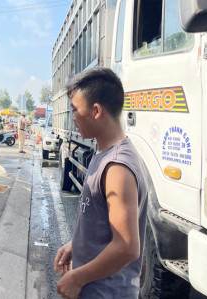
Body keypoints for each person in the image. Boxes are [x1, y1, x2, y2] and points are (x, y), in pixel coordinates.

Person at [53, 67, 148, 298]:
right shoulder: (103, 153)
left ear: (96, 111)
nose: (73, 117)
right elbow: (102, 223)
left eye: (75, 109)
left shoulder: (117, 168)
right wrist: (77, 243)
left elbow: (126, 247)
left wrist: (76, 278)